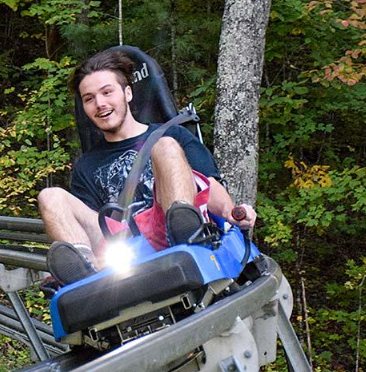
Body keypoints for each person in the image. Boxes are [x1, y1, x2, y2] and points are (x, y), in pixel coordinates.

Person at [38, 49, 256, 286]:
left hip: (168, 228)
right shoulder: (85, 167)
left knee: (165, 146)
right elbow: (94, 225)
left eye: (107, 92)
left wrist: (231, 213)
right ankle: (83, 273)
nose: (99, 104)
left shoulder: (172, 134)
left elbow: (208, 186)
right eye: (89, 98)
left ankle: (185, 233)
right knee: (50, 196)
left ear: (127, 93)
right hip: (123, 248)